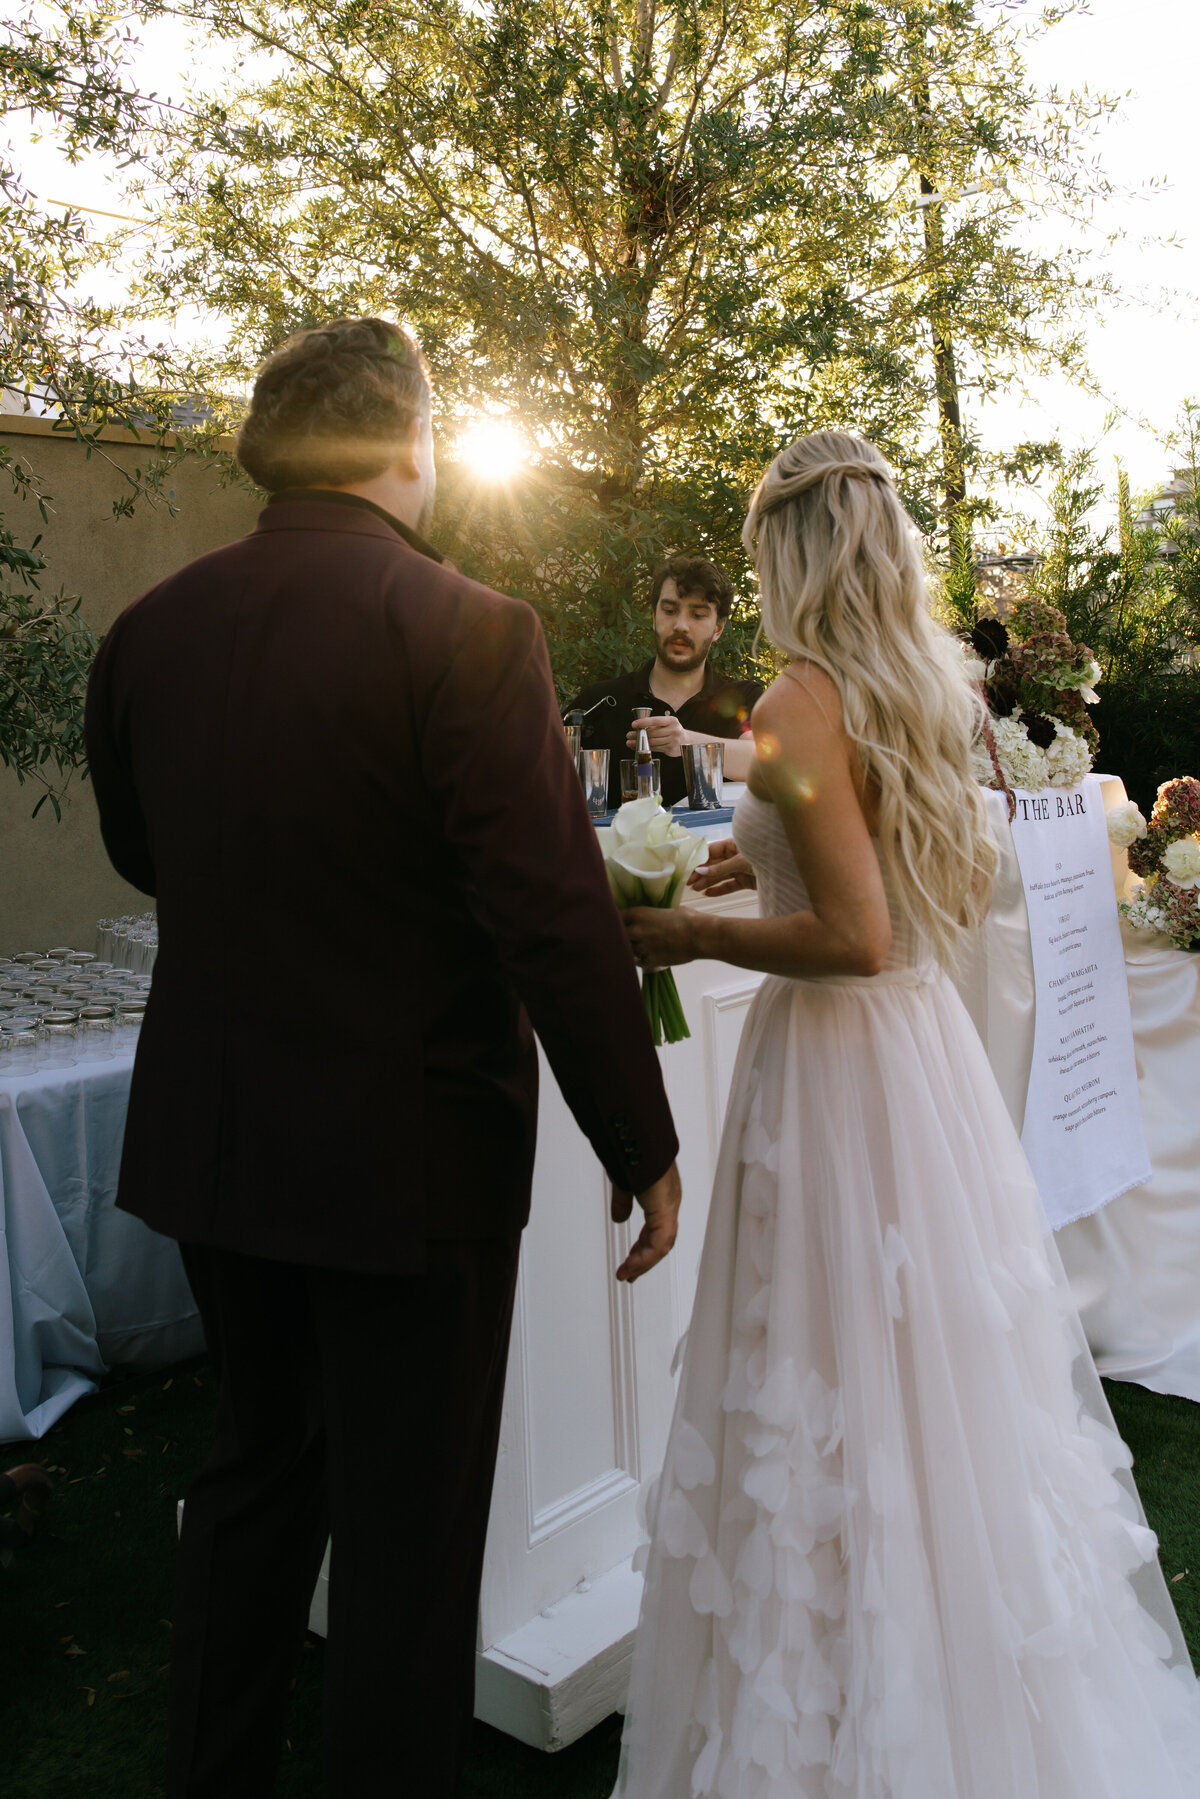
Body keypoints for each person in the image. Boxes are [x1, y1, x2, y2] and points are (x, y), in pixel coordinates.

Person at [83, 316, 682, 1799]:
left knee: (251, 1482)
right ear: (411, 443)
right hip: (410, 1163)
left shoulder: (148, 631)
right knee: (407, 1542)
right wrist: (642, 1142)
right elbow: (549, 913)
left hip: (223, 1143)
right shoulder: (471, 628)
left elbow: (143, 853)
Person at [613, 431, 1200, 1797]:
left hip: (838, 1069)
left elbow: (855, 935)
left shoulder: (807, 700)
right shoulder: (927, 687)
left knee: (824, 1369)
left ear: (794, 548)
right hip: (919, 1069)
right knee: (925, 1376)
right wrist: (726, 852)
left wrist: (690, 945)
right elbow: (845, 845)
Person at [567, 556, 763, 809]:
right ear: (653, 617)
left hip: (714, 849)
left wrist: (685, 741)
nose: (680, 625)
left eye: (698, 615)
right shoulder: (600, 701)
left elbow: (770, 764)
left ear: (718, 628)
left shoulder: (743, 696)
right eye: (669, 611)